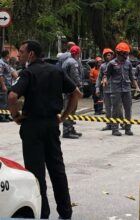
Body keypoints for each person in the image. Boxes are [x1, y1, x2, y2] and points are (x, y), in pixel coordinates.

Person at [8, 40, 82, 219]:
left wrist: (16, 116)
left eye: (21, 52)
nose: (19, 55)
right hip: (51, 125)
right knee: (57, 170)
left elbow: (12, 96)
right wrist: (63, 117)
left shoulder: (28, 73)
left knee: (36, 174)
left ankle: (43, 213)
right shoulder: (56, 70)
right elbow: (76, 93)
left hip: (32, 126)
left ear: (31, 54)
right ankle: (65, 213)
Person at [103, 42, 140, 136]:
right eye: (125, 53)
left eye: (127, 53)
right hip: (115, 90)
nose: (126, 55)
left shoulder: (128, 63)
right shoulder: (111, 64)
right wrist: (104, 80)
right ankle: (115, 129)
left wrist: (137, 87)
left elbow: (132, 77)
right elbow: (106, 75)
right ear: (119, 53)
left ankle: (128, 128)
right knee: (115, 109)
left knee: (128, 109)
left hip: (126, 89)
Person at [62, 45, 83, 139]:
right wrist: (80, 85)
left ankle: (70, 128)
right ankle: (67, 131)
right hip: (71, 89)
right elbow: (75, 76)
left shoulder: (66, 61)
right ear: (77, 53)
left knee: (70, 109)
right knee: (69, 109)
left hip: (67, 88)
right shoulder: (73, 62)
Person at [96, 48, 116, 131]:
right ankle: (109, 124)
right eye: (107, 55)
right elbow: (99, 77)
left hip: (116, 89)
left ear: (112, 55)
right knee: (107, 108)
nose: (108, 56)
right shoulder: (103, 66)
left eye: (110, 54)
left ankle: (119, 124)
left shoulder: (116, 64)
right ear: (104, 56)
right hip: (106, 90)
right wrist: (97, 88)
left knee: (116, 108)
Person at [0, 50, 18, 122]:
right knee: (2, 102)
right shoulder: (1, 63)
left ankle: (6, 115)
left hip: (9, 85)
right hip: (3, 86)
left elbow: (12, 72)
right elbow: (0, 75)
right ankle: (1, 117)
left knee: (7, 102)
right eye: (9, 54)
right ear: (7, 55)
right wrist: (3, 85)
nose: (10, 55)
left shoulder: (6, 63)